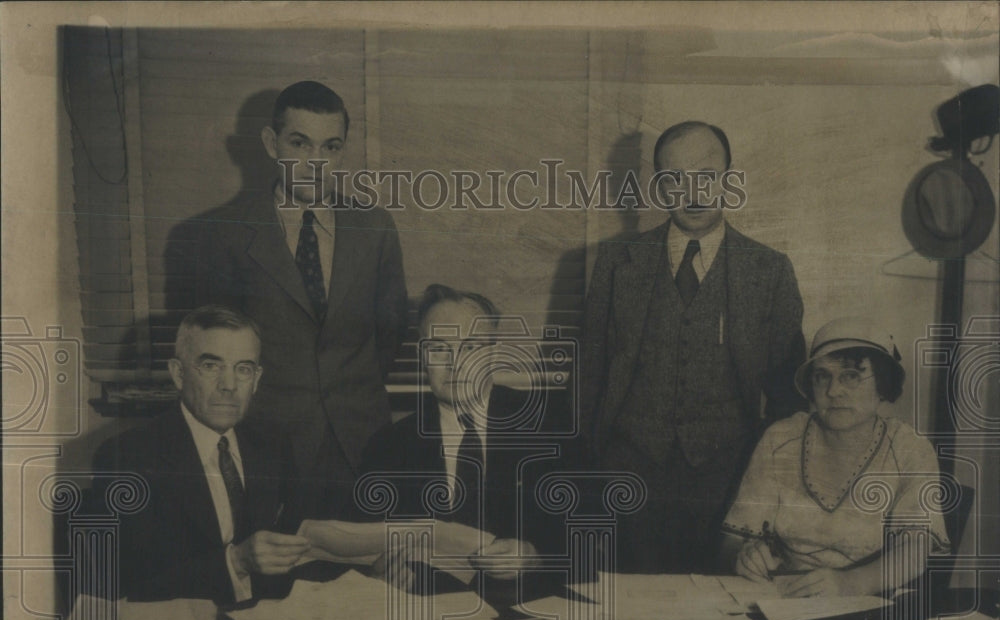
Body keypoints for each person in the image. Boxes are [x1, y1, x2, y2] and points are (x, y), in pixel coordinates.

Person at [581, 120, 807, 574]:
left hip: (728, 481)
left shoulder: (770, 271)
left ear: (730, 179)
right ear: (658, 188)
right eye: (675, 179)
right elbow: (587, 381)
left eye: (707, 175)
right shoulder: (616, 264)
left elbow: (789, 399)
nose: (694, 192)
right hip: (628, 477)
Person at [196, 80, 408, 517]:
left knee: (365, 577)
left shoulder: (376, 227)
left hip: (362, 443)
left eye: (331, 148)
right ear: (272, 145)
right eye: (300, 144)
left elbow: (390, 330)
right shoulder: (225, 234)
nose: (316, 163)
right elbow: (215, 352)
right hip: (269, 445)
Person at [90, 306, 310, 605]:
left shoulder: (273, 444)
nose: (229, 386)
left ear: (257, 379)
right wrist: (235, 563)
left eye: (243, 369)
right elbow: (130, 590)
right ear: (178, 374)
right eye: (211, 366)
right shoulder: (127, 458)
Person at [361, 284, 579, 582]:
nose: (456, 365)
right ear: (422, 356)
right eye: (439, 349)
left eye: (471, 347)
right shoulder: (388, 446)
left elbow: (593, 535)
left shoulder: (549, 426)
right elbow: (361, 548)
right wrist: (376, 575)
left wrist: (535, 556)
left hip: (531, 607)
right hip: (426, 611)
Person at [722, 317, 949, 596]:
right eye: (822, 376)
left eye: (851, 376)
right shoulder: (780, 439)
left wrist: (849, 583)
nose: (833, 391)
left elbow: (916, 550)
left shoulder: (909, 449)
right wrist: (744, 556)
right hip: (783, 599)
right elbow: (733, 539)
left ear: (882, 384)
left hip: (871, 604)